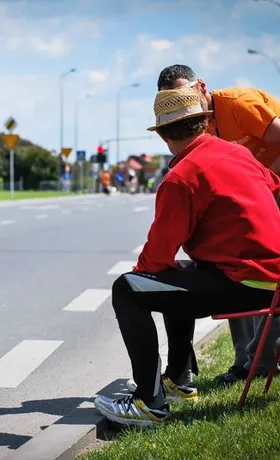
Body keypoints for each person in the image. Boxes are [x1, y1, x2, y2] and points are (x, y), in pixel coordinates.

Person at [94, 85, 280, 426]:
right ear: (204, 121)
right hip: (272, 279)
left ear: (163, 134)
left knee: (129, 289)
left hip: (245, 283)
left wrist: (145, 275)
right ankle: (178, 380)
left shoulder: (181, 178)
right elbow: (274, 186)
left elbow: (156, 255)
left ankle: (149, 404)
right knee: (167, 277)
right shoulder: (238, 154)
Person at [157, 64, 280, 386]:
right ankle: (245, 361)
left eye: (187, 94)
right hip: (254, 195)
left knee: (267, 275)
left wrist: (268, 182)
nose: (183, 105)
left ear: (202, 87)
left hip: (270, 192)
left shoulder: (239, 104)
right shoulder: (196, 126)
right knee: (224, 265)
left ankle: (262, 360)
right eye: (174, 100)